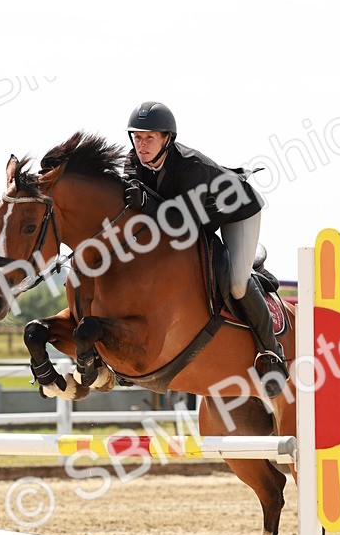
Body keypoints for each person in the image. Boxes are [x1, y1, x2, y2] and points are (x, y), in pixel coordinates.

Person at [123, 101, 288, 389]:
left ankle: (272, 352)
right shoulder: (133, 162)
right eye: (137, 137)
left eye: (150, 137)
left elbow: (184, 224)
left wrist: (147, 205)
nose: (142, 144)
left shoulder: (191, 167)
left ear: (167, 139)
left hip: (237, 211)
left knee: (236, 283)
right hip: (195, 217)